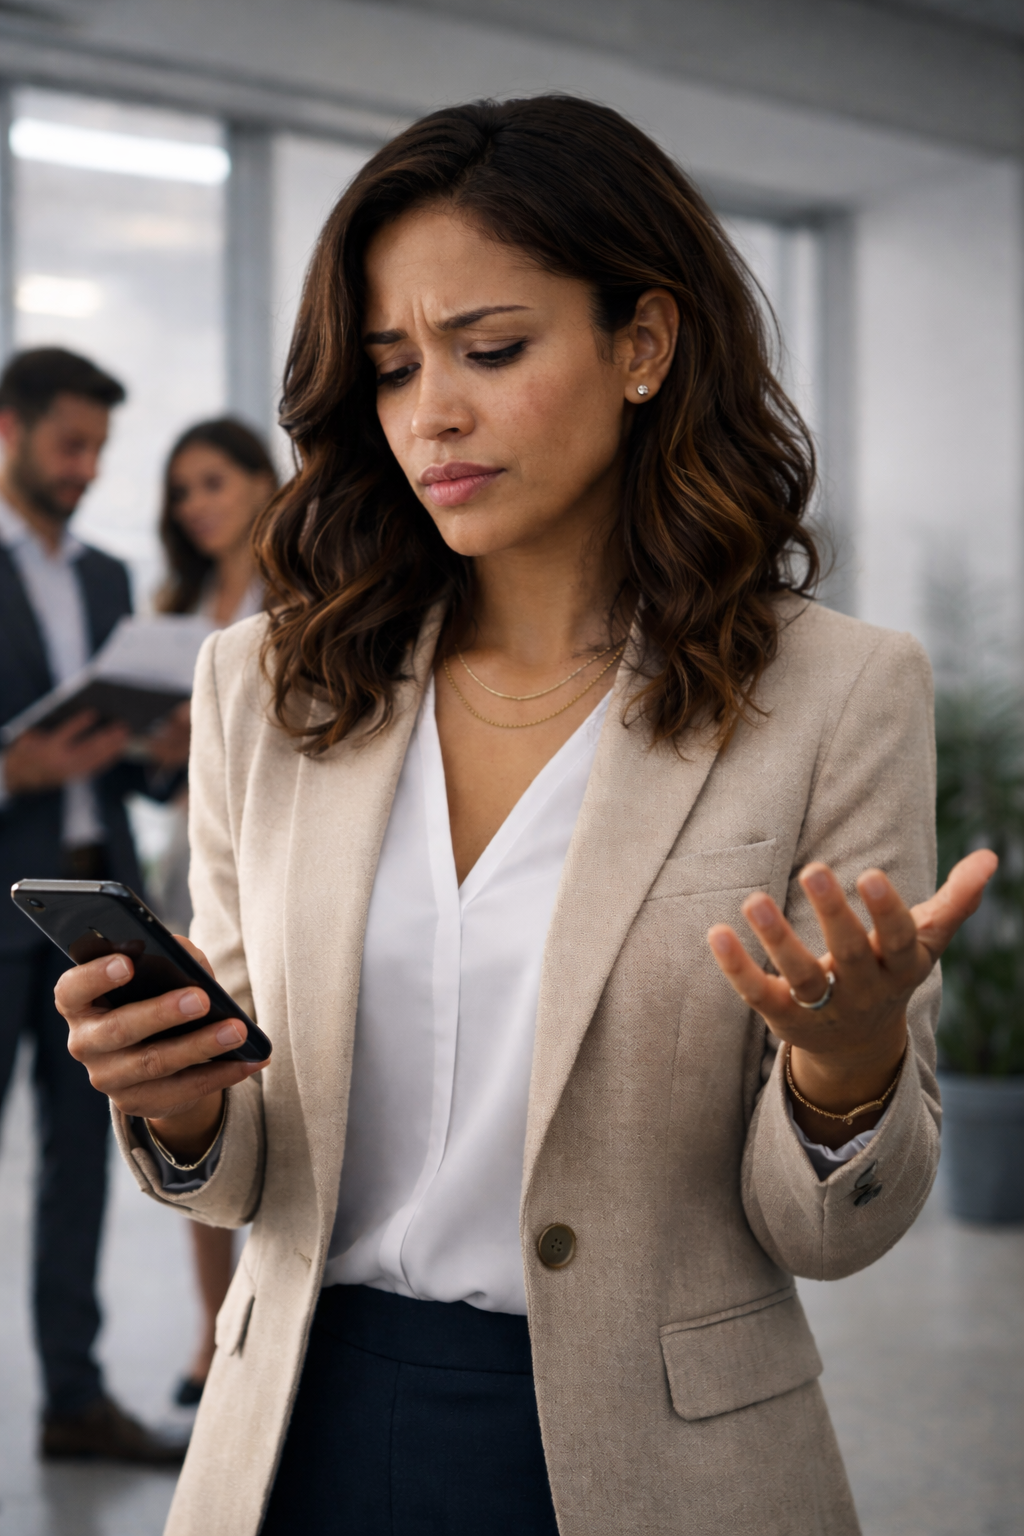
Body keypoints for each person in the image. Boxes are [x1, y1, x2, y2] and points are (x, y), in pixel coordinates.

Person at [56, 98, 996, 1536]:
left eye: (491, 350)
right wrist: (178, 1098)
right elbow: (241, 1175)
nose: (432, 408)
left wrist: (848, 1066)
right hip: (296, 1436)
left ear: (643, 345)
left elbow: (829, 1228)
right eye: (391, 366)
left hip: (656, 1466)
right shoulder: (270, 684)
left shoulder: (833, 693)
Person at [0, 347, 189, 1463]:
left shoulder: (114, 579)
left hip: (89, 914)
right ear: (11, 432)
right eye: (72, 446)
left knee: (85, 1167)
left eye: (99, 450)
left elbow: (112, 759)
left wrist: (156, 752)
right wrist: (9, 772)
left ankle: (74, 1399)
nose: (86, 469)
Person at [150, 417, 277, 1406]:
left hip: (266, 861)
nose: (196, 506)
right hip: (179, 859)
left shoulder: (309, 595)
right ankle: (211, 1327)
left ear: (259, 482)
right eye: (182, 491)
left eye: (211, 483)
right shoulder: (174, 607)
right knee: (183, 1092)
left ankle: (271, 1309)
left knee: (259, 1081)